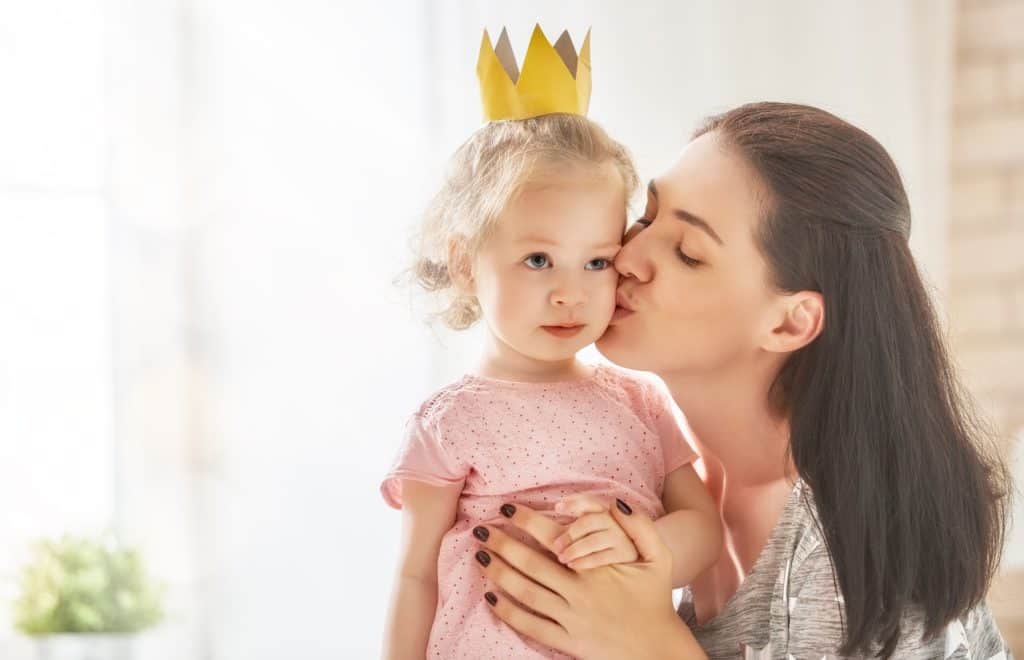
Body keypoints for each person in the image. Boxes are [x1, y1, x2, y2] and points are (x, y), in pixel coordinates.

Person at [470, 102, 1014, 659]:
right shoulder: (653, 488)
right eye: (648, 216)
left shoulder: (843, 550)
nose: (627, 257)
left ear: (788, 321)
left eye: (687, 253)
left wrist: (655, 647)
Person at [379, 27, 723, 660]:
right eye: (539, 259)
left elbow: (704, 529)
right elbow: (415, 574)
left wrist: (643, 545)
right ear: (464, 264)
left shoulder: (642, 402)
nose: (571, 293)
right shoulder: (449, 422)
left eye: (596, 262)